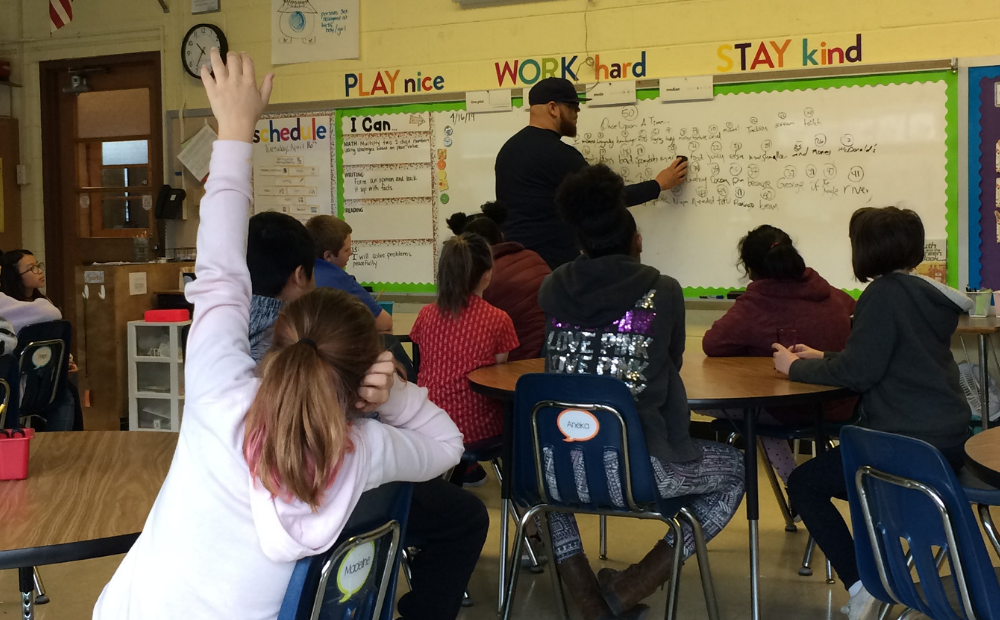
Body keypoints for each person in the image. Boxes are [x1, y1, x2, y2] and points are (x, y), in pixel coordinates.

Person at [93, 50, 465, 620]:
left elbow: (219, 273)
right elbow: (448, 445)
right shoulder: (361, 451)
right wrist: (393, 396)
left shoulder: (219, 392)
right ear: (360, 369)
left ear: (279, 340)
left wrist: (235, 132)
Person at [247, 210, 489, 620]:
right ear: (303, 276)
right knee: (464, 515)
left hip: (263, 537)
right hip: (362, 499)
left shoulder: (221, 379)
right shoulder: (367, 443)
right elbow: (448, 444)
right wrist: (390, 396)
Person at [537, 164, 745, 620]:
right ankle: (624, 592)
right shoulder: (662, 289)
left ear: (580, 243)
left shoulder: (551, 287)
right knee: (735, 471)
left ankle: (589, 601)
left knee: (540, 479)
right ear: (636, 242)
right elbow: (670, 363)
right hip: (639, 469)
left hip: (560, 463)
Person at [774, 207, 973, 620]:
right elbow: (890, 357)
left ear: (864, 250)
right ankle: (883, 568)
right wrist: (824, 356)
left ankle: (865, 586)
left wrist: (795, 367)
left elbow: (860, 373)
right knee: (843, 473)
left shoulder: (883, 294)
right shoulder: (925, 294)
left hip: (904, 447)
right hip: (948, 442)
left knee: (805, 482)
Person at [702, 225, 856, 484]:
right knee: (760, 404)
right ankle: (797, 484)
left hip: (793, 410)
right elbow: (854, 316)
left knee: (745, 406)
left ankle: (793, 481)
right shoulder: (828, 291)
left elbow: (713, 344)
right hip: (845, 403)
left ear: (750, 269)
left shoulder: (755, 303)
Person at [494, 77, 689, 269]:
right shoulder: (558, 154)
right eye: (572, 107)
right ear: (553, 108)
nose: (577, 113)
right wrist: (658, 185)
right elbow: (605, 199)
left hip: (515, 265)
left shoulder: (507, 151)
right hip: (552, 266)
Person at [410, 232, 519, 444]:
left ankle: (464, 470)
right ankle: (471, 469)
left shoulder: (425, 314)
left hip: (429, 420)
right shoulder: (498, 319)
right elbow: (499, 369)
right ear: (487, 275)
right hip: (478, 427)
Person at [446, 201, 550, 360]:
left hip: (514, 362)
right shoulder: (533, 257)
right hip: (549, 356)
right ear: (501, 235)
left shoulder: (482, 277)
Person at [305, 215, 393, 333]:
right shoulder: (342, 281)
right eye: (346, 250)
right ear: (328, 256)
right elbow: (384, 322)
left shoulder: (298, 275)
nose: (351, 253)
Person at [0, 250, 63, 332]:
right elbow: (53, 313)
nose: (40, 271)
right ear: (15, 275)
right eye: (32, 268)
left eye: (37, 266)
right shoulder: (7, 304)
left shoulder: (44, 301)